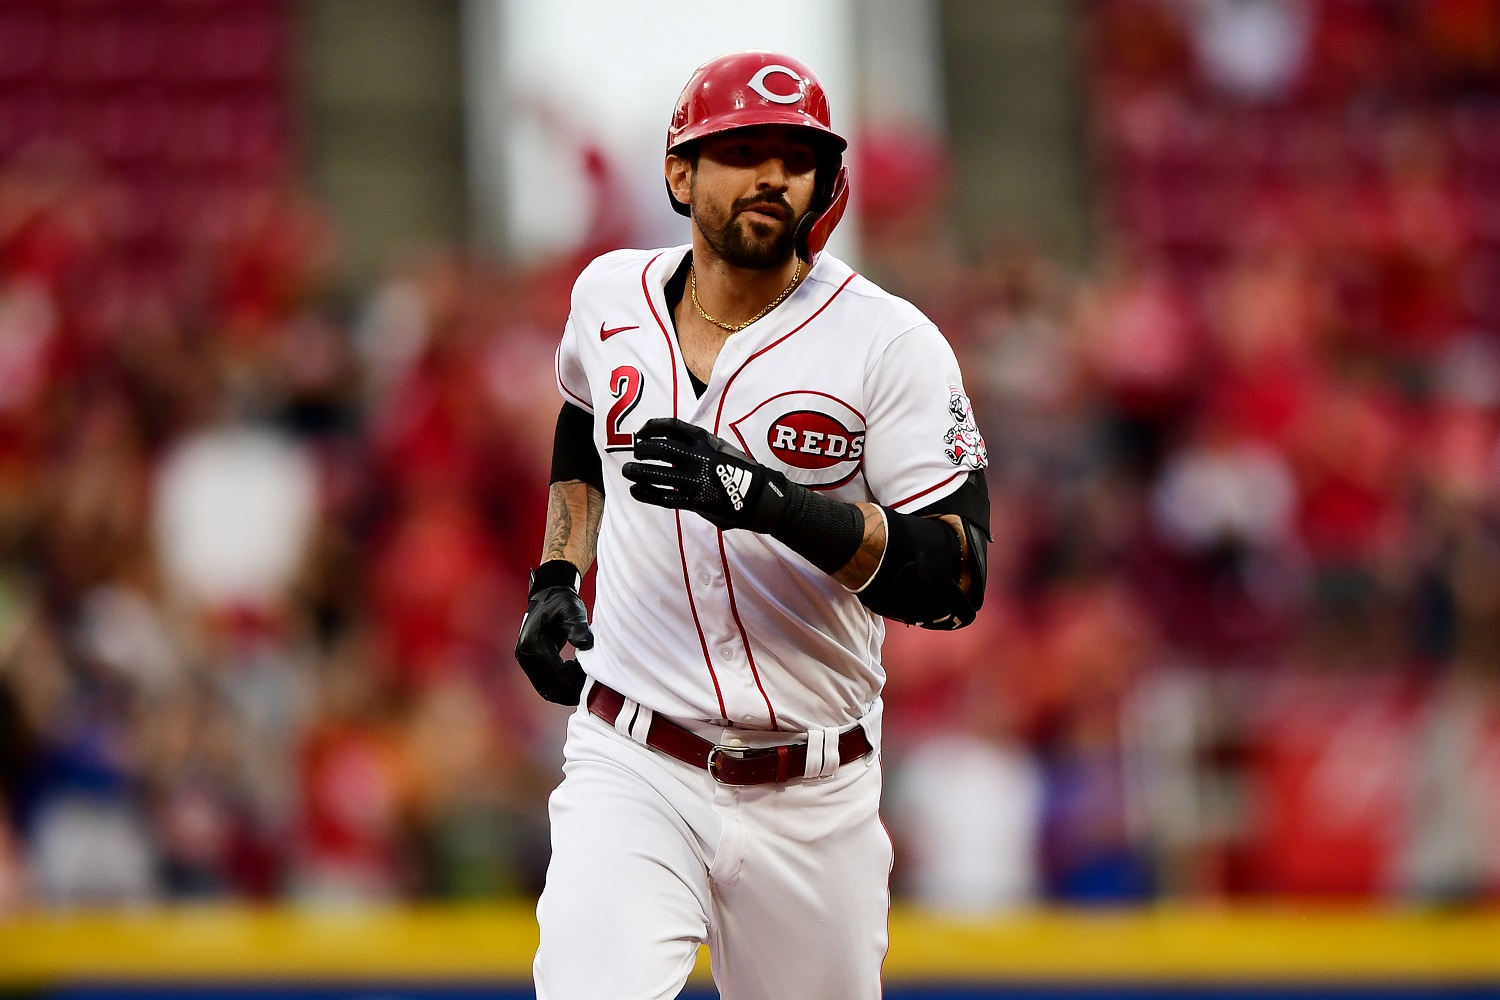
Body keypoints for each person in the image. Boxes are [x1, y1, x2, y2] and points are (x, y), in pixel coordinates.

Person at [514, 50, 990, 1000]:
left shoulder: (889, 341)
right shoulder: (609, 297)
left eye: (794, 154)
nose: (772, 173)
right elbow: (581, 419)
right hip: (634, 757)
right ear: (680, 173)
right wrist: (558, 574)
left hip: (816, 789)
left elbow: (956, 577)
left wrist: (771, 503)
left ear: (825, 182)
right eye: (742, 149)